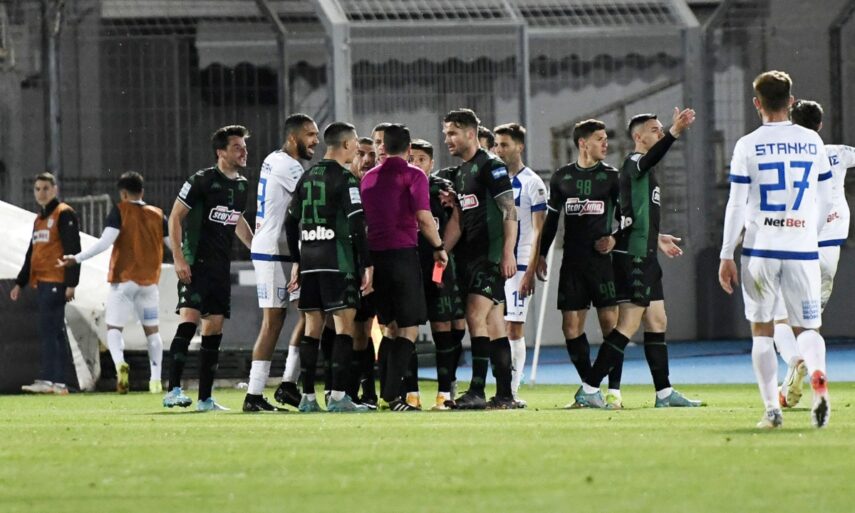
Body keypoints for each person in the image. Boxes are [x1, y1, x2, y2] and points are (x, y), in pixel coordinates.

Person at [719, 71, 834, 429]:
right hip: (802, 249)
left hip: (761, 251)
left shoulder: (747, 144)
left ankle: (772, 410)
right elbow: (826, 198)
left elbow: (736, 204)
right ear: (791, 101)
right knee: (808, 328)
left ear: (757, 103)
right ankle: (818, 378)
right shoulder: (812, 141)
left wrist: (726, 253)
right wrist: (809, 233)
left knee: (763, 331)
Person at [575, 108, 702, 409]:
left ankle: (664, 393)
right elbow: (651, 159)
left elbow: (634, 215)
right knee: (628, 325)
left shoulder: (644, 172)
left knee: (657, 320)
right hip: (633, 256)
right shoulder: (634, 162)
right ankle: (589, 388)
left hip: (647, 254)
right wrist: (675, 132)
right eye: (655, 129)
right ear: (638, 137)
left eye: (662, 129)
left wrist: (657, 237)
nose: (660, 132)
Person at [162, 125, 254, 411]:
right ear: (220, 152)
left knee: (213, 331)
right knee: (189, 321)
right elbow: (175, 218)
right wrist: (179, 258)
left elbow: (237, 220)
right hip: (195, 263)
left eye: (244, 147)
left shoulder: (242, 185)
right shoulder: (201, 180)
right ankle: (173, 390)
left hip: (220, 268)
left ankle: (205, 399)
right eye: (237, 147)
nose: (243, 152)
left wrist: (257, 249)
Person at [284, 122, 374, 413]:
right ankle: (337, 396)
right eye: (355, 144)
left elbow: (290, 222)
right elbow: (357, 224)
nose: (356, 149)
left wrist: (297, 260)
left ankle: (308, 397)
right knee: (344, 328)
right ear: (347, 144)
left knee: (312, 329)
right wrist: (367, 263)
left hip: (310, 262)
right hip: (338, 262)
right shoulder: (346, 178)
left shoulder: (307, 176)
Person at [537, 120, 625, 409]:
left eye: (606, 138)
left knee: (611, 327)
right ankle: (591, 388)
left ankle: (614, 392)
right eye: (600, 138)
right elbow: (552, 221)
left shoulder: (612, 177)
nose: (605, 143)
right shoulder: (562, 177)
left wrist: (614, 238)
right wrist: (541, 255)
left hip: (602, 263)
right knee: (571, 328)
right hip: (572, 263)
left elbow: (627, 218)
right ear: (583, 143)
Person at [772, 100, 855, 409]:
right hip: (828, 253)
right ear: (820, 125)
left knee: (779, 318)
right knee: (810, 324)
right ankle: (802, 380)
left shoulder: (782, 156)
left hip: (796, 247)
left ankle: (795, 361)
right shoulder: (838, 153)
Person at [361, 125, 448, 411]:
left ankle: (386, 395)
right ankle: (391, 395)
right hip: (402, 256)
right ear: (409, 149)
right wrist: (439, 246)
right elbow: (423, 217)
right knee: (409, 329)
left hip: (375, 258)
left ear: (383, 146)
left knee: (389, 328)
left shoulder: (368, 178)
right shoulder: (413, 175)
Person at [59, 171, 169, 394]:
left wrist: (76, 258)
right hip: (149, 283)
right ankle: (156, 380)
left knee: (114, 329)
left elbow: (105, 242)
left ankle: (121, 366)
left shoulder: (120, 210)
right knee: (153, 332)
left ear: (123, 194)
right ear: (142, 191)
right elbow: (174, 246)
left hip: (123, 283)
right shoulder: (158, 215)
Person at [442, 108, 518, 409]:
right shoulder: (461, 173)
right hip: (469, 258)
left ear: (470, 134)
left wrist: (507, 252)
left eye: (452, 133)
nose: (447, 139)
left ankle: (476, 390)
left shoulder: (491, 166)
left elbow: (509, 210)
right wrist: (440, 251)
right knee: (494, 324)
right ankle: (505, 395)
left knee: (474, 315)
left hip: (490, 256)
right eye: (446, 133)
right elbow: (459, 221)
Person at [242, 114, 319, 412]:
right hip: (274, 251)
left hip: (285, 250)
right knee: (273, 321)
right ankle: (253, 395)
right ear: (292, 137)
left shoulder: (274, 159)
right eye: (310, 135)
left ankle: (288, 384)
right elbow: (315, 196)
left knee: (309, 315)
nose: (315, 141)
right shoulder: (290, 166)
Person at [10, 172, 81, 395]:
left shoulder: (64, 213)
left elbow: (73, 249)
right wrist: (20, 283)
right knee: (51, 331)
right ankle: (55, 381)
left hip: (56, 280)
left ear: (55, 190)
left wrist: (71, 283)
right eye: (37, 189)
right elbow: (32, 253)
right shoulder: (39, 219)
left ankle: (54, 380)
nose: (41, 193)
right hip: (42, 281)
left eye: (46, 188)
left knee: (50, 330)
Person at [492, 123, 546, 407]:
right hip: (494, 263)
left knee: (513, 327)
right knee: (495, 326)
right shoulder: (494, 180)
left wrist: (531, 268)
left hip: (520, 265)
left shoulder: (532, 183)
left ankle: (511, 392)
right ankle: (500, 387)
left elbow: (538, 230)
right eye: (496, 145)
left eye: (504, 145)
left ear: (520, 147)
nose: (498, 150)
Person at [408, 139, 465, 410]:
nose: (416, 164)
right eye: (412, 159)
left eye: (422, 159)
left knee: (445, 327)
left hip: (439, 266)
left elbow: (458, 222)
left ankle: (445, 392)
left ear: (432, 163)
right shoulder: (400, 188)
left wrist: (441, 251)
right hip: (408, 267)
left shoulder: (443, 190)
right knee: (405, 329)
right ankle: (411, 394)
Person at [346, 136, 380, 407]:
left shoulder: (378, 188)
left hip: (371, 266)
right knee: (342, 331)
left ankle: (367, 391)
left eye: (372, 154)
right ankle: (342, 390)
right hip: (344, 266)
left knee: (364, 330)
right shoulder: (344, 185)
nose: (367, 160)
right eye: (361, 154)